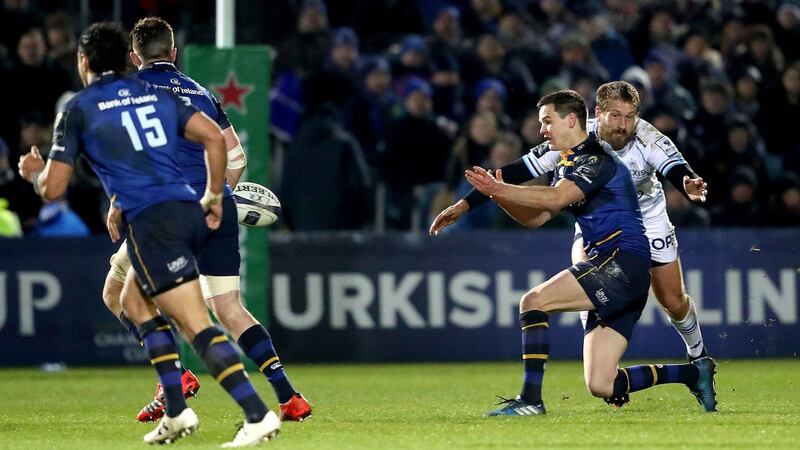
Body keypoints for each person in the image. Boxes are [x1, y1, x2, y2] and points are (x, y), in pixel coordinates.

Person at [18, 22, 280, 446]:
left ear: (84, 62)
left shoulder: (80, 108)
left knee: (196, 325)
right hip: (184, 211)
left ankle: (257, 414)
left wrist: (33, 174)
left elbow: (54, 188)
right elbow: (215, 138)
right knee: (129, 299)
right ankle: (176, 410)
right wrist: (215, 195)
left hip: (156, 220)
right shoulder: (155, 94)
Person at [432, 81, 715, 406]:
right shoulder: (568, 151)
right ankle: (694, 373)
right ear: (596, 114)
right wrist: (476, 200)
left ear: (569, 121)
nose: (541, 130)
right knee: (601, 384)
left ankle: (530, 401)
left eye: (547, 122)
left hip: (635, 239)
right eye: (615, 115)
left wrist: (686, 182)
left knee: (670, 300)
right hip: (607, 246)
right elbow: (529, 204)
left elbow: (555, 198)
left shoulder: (611, 152)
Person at [98, 16, 311, 424]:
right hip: (217, 207)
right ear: (173, 53)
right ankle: (289, 397)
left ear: (132, 57)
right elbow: (237, 159)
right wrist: (218, 197)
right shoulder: (202, 93)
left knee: (116, 291)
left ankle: (175, 378)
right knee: (229, 308)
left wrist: (117, 201)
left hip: (166, 212)